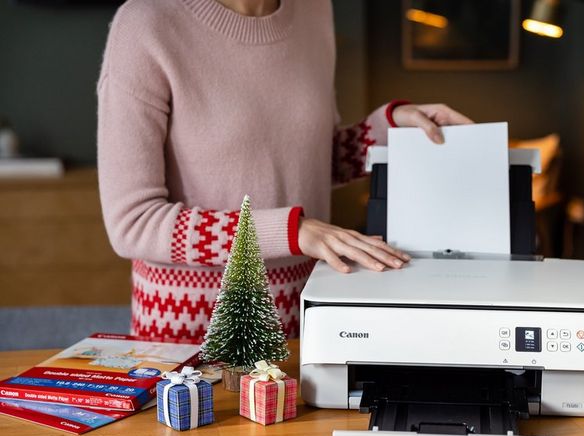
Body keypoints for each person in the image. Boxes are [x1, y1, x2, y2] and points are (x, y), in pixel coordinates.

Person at [97, 0, 472, 342]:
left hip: (304, 317)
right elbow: (133, 223)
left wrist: (389, 130)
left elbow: (304, 165)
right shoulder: (146, 25)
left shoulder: (314, 10)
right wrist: (293, 231)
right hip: (190, 332)